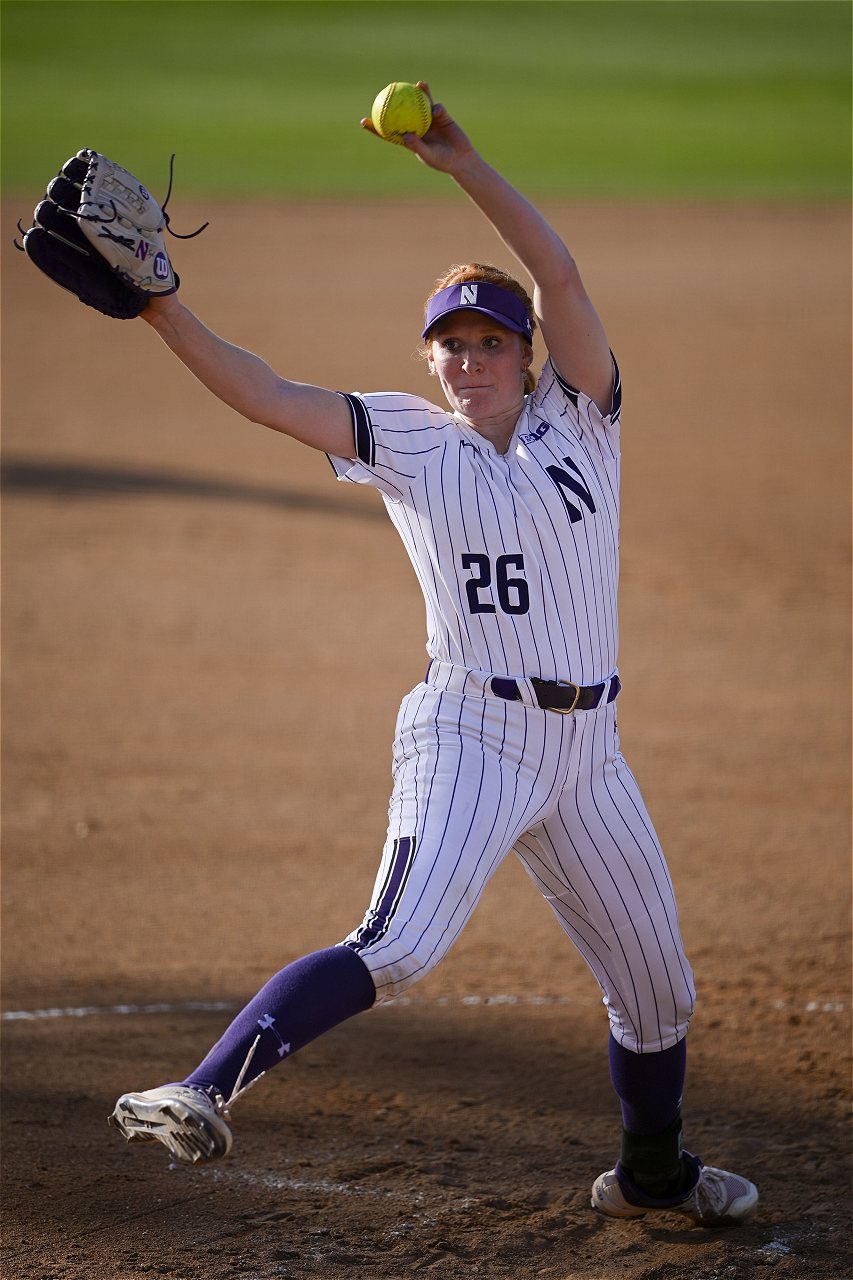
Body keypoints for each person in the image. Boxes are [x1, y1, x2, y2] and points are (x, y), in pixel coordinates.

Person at [106, 86, 758, 1226]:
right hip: (473, 732)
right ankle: (201, 1088)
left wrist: (464, 165)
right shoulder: (409, 440)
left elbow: (559, 272)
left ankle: (653, 1172)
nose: (468, 358)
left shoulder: (585, 419)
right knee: (399, 942)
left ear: (526, 351)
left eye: (489, 340)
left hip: (589, 752)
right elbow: (266, 395)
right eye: (449, 342)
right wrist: (165, 311)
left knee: (659, 993)